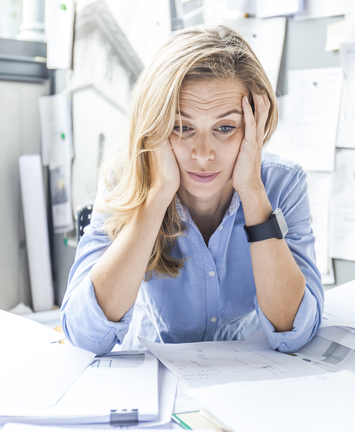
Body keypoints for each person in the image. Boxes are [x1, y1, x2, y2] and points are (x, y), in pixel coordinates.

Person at [60, 25, 324, 356]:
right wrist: (157, 196)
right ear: (154, 125)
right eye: (182, 128)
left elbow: (293, 333)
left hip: (246, 376)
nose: (202, 154)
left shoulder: (282, 184)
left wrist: (253, 192)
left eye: (225, 128)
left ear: (256, 123)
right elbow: (85, 335)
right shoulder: (122, 178)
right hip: (147, 371)